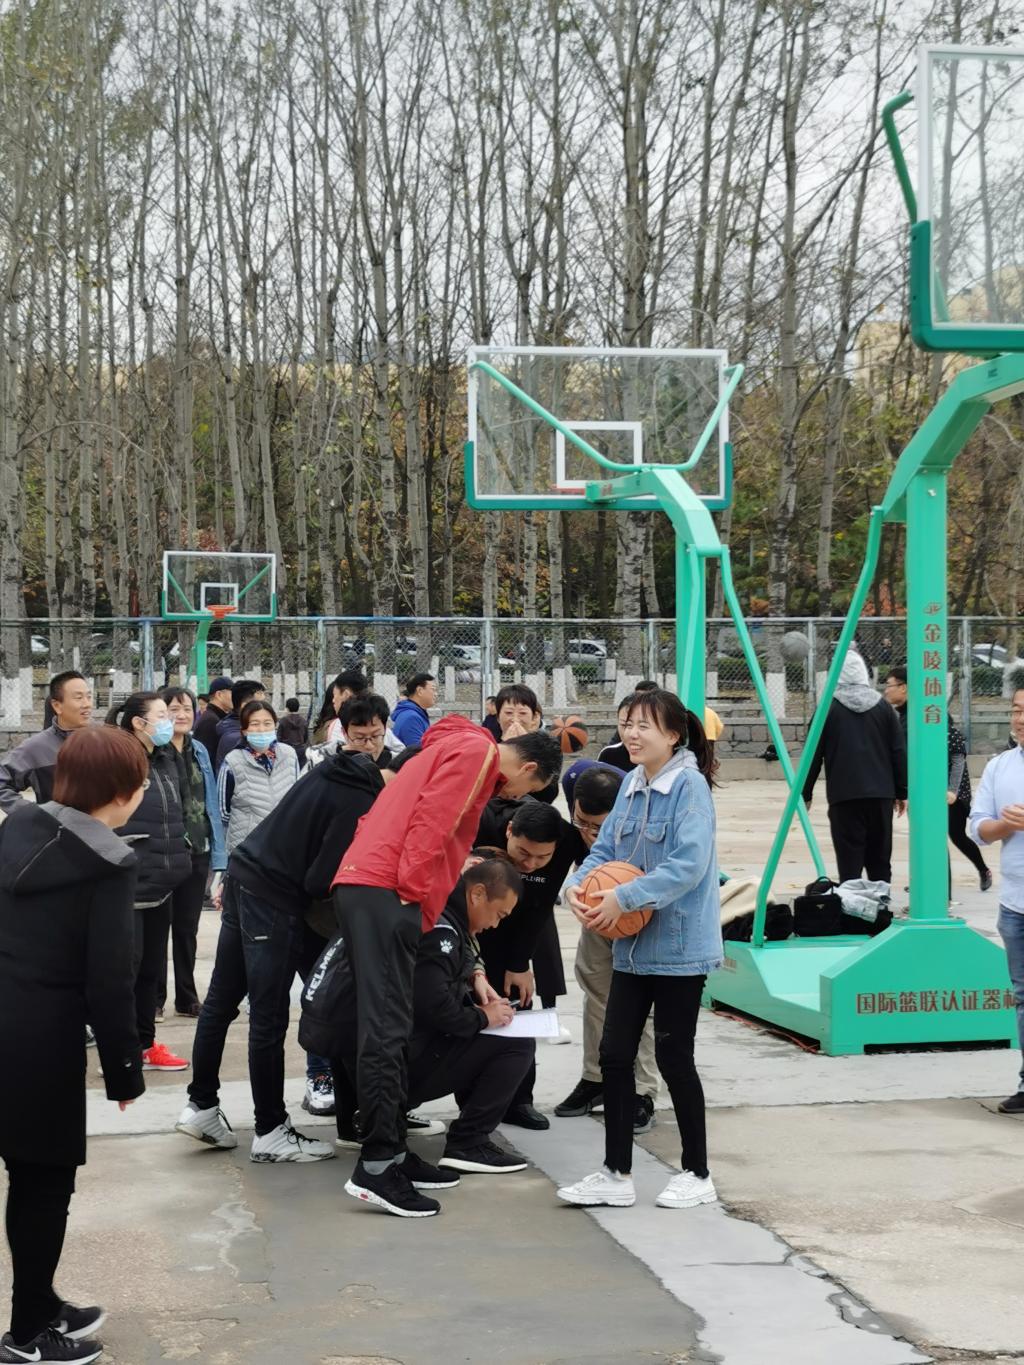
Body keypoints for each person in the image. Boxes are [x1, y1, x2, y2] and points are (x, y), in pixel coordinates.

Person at [332, 718, 562, 1217]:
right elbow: (433, 823)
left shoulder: (454, 746)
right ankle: (377, 1166)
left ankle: (393, 1153)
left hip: (375, 882)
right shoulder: (478, 754)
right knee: (386, 1031)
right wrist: (414, 896)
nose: (513, 797)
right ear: (527, 768)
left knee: (389, 1028)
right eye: (525, 791)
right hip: (388, 889)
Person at [175, 730, 397, 1163]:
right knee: (269, 1014)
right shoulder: (361, 799)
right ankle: (270, 1129)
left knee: (220, 1002)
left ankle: (201, 1104)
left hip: (245, 875)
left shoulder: (333, 770)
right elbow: (317, 880)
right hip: (272, 899)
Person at [0, 728, 147, 1365]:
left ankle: (39, 1299)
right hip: (40, 1039)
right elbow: (109, 980)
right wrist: (124, 1072)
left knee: (28, 1176)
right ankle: (28, 1335)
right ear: (122, 792)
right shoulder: (109, 863)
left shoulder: (17, 827)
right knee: (43, 1182)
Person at [557, 690, 722, 1212]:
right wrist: (577, 888)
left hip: (678, 947)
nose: (631, 733)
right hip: (630, 946)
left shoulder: (689, 788)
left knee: (674, 1058)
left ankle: (697, 1172)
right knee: (614, 1056)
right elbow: (605, 850)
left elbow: (689, 865)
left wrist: (623, 897)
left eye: (643, 725)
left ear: (672, 735)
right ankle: (616, 1173)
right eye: (626, 723)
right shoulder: (631, 783)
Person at [330, 857, 532, 1176]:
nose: (495, 925)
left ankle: (363, 1120)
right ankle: (469, 1142)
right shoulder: (442, 932)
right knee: (517, 1042)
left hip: (366, 1062)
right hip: (391, 1071)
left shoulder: (431, 907)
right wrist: (484, 1017)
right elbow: (435, 1008)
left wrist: (474, 975)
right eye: (499, 914)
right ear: (477, 894)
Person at [554, 761, 660, 1133]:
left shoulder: (649, 816)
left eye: (597, 827)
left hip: (640, 909)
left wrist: (630, 900)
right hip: (597, 907)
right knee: (595, 986)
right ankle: (596, 1078)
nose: (587, 833)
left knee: (640, 1001)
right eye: (581, 822)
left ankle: (642, 1091)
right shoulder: (576, 778)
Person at [474, 798, 576, 1129]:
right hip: (473, 926)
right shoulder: (483, 824)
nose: (531, 863)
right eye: (523, 853)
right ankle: (473, 1104)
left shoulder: (567, 841)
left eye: (542, 857)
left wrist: (519, 963)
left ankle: (519, 1100)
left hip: (520, 928)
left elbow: (541, 907)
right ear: (508, 831)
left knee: (518, 1009)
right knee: (473, 1014)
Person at [107, 692, 193, 1072]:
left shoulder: (166, 757)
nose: (169, 721)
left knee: (150, 970)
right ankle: (119, 1050)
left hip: (162, 879)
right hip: (129, 879)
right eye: (161, 715)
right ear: (138, 723)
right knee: (125, 970)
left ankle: (144, 1044)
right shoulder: (118, 759)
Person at [884, 666, 991, 893]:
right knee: (928, 837)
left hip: (948, 792)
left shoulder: (930, 715)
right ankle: (926, 884)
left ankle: (950, 889)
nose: (886, 690)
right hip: (923, 790)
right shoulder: (904, 716)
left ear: (904, 687)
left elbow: (957, 755)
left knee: (951, 836)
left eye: (889, 685)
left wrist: (952, 790)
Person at [803, 652, 906, 883]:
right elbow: (898, 751)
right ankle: (881, 902)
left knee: (849, 862)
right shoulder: (883, 708)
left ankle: (852, 903)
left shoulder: (827, 709)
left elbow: (812, 756)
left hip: (844, 796)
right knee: (880, 860)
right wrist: (901, 791)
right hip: (881, 795)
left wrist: (805, 793)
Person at [156, 687, 227, 1019]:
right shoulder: (152, 751)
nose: (181, 715)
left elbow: (210, 802)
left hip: (197, 850)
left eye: (186, 708)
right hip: (162, 853)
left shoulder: (198, 750)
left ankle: (186, 996)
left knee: (187, 929)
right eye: (173, 709)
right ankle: (155, 997)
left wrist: (218, 854)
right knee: (157, 930)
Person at [970, 688, 1024, 1115]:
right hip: (1015, 904)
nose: (1020, 719)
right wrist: (1002, 827)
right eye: (1016, 710)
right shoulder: (1000, 766)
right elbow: (977, 827)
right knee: (1022, 997)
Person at [0, 671, 93, 812]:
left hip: (104, 826)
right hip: (59, 825)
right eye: (79, 698)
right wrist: (34, 814)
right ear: (57, 706)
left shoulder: (105, 739)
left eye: (89, 697)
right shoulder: (37, 747)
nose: (87, 704)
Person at [217, 700, 300, 854]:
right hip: (247, 849)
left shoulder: (289, 755)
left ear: (275, 726)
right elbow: (223, 812)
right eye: (254, 724)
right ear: (244, 730)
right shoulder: (232, 762)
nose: (262, 729)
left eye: (267, 723)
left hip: (283, 845)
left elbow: (295, 797)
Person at [213, 678, 266, 771]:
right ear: (245, 706)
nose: (266, 709)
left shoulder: (232, 726)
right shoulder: (235, 739)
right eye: (261, 705)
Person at [193, 675, 233, 765]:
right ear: (219, 695)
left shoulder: (216, 717)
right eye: (232, 693)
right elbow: (206, 760)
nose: (235, 697)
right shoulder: (211, 721)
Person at [390, 673, 437, 746]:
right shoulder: (411, 718)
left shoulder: (414, 713)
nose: (436, 694)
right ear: (420, 691)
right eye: (433, 689)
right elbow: (417, 750)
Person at [277, 697, 309, 766]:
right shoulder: (303, 721)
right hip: (300, 750)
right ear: (298, 708)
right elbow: (306, 738)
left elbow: (278, 737)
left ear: (287, 708)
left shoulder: (283, 721)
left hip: (286, 749)